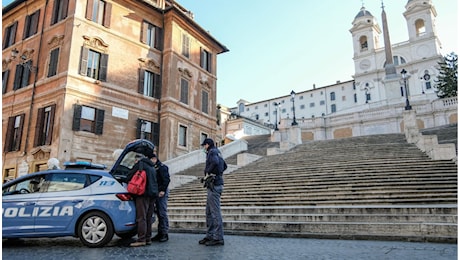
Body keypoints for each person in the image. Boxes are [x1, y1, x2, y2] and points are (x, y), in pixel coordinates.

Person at [126, 153, 158, 247]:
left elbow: (129, 176)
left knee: (141, 217)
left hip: (142, 193)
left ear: (137, 160)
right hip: (152, 194)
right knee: (148, 217)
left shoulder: (140, 165)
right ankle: (148, 238)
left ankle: (141, 239)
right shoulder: (152, 166)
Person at [199, 138, 224, 246]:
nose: (204, 148)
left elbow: (215, 162)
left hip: (214, 185)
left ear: (208, 145)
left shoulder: (212, 152)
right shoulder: (218, 152)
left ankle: (218, 237)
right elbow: (225, 166)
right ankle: (210, 235)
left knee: (214, 212)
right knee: (209, 212)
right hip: (215, 184)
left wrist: (208, 173)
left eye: (204, 145)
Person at [150, 154, 171, 242]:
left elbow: (166, 180)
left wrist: (162, 190)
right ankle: (160, 233)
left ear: (154, 159)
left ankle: (164, 233)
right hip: (157, 192)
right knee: (159, 213)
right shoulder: (155, 167)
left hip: (162, 192)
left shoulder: (162, 167)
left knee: (162, 213)